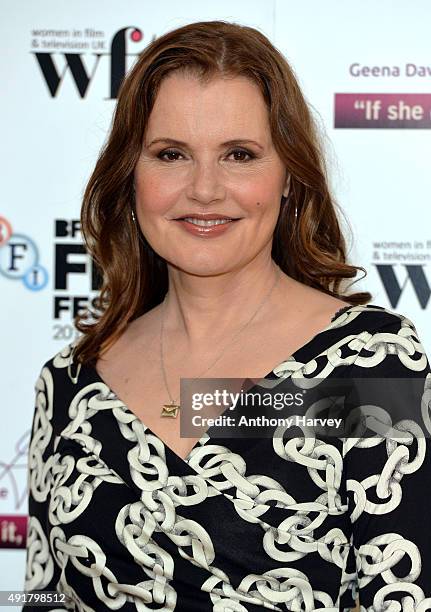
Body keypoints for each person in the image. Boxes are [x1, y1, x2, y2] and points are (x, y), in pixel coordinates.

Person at [23, 19, 431, 612]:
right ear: (131, 177)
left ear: (289, 176)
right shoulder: (68, 384)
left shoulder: (370, 365)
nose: (206, 189)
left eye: (239, 154)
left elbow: (404, 593)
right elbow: (42, 598)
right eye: (171, 154)